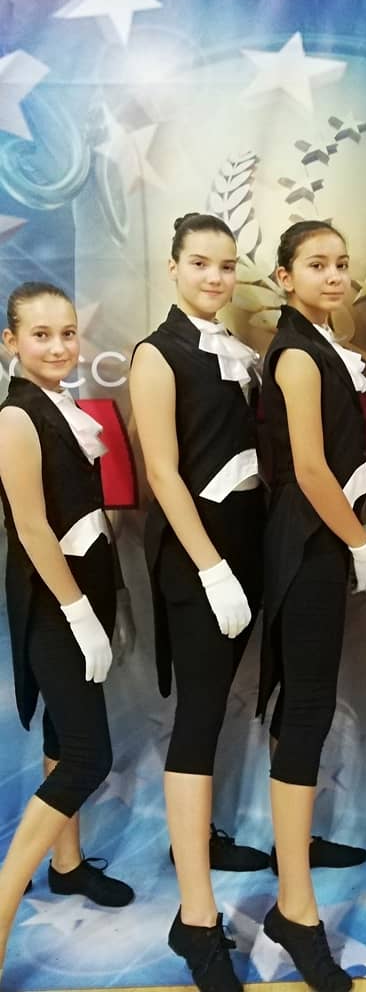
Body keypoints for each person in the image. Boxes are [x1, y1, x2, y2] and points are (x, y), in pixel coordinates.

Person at [129, 213, 267, 990]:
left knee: (213, 713)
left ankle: (203, 841)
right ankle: (196, 917)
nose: (215, 277)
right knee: (200, 718)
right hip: (198, 560)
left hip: (243, 550)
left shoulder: (231, 350)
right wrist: (211, 568)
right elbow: (162, 472)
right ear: (174, 266)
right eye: (201, 263)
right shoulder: (158, 353)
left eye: (226, 264)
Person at [258, 220, 366, 992]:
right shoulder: (299, 353)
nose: (334, 276)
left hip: (316, 541)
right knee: (306, 709)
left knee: (304, 705)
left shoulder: (321, 345)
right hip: (307, 541)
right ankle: (294, 909)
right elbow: (309, 467)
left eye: (341, 263)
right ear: (284, 276)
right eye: (316, 264)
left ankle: (294, 861)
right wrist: (358, 540)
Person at [0, 283, 134, 969]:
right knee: (88, 755)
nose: (58, 347)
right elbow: (30, 527)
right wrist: (79, 613)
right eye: (41, 334)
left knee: (62, 732)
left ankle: (67, 863)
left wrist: (103, 602)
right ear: (11, 342)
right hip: (55, 603)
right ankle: (3, 899)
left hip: (83, 594)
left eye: (68, 333)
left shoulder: (61, 407)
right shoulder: (16, 418)